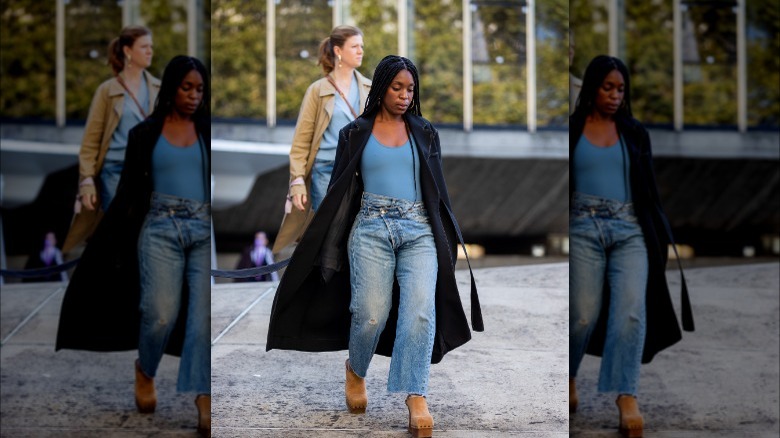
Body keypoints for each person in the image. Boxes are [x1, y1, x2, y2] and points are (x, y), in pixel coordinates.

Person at [266, 55, 484, 438]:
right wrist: (319, 240)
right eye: (396, 87)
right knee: (370, 314)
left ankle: (415, 395)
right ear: (381, 87)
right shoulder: (354, 133)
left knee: (420, 312)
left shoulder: (425, 132)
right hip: (371, 229)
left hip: (419, 231)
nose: (404, 96)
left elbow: (439, 194)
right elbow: (339, 195)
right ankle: (356, 368)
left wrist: (447, 241)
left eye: (410, 89)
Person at [56, 55, 211, 437]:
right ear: (171, 88)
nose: (193, 96)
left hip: (203, 229)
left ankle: (204, 396)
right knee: (159, 314)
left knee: (200, 319)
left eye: (200, 89)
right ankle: (146, 367)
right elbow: (128, 194)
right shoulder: (145, 134)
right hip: (159, 227)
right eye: (186, 87)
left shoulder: (208, 129)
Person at [568, 55, 694, 438]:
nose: (615, 95)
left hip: (629, 229)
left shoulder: (634, 133)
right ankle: (568, 376)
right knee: (583, 313)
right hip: (582, 226)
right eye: (608, 87)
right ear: (592, 88)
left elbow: (649, 192)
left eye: (621, 89)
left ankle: (626, 396)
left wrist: (657, 236)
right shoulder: (571, 130)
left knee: (631, 314)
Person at [272, 25, 371, 255]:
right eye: (354, 46)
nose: (360, 51)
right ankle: (326, 285)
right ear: (338, 51)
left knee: (357, 233)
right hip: (326, 172)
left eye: (362, 47)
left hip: (360, 172)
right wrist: (296, 181)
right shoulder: (317, 91)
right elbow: (301, 142)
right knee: (329, 234)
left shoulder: (368, 87)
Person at [63, 25, 160, 254]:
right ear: (128, 51)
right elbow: (90, 143)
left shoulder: (159, 88)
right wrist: (86, 180)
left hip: (150, 172)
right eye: (144, 47)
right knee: (123, 230)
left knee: (148, 231)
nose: (150, 52)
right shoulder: (107, 91)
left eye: (151, 47)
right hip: (115, 172)